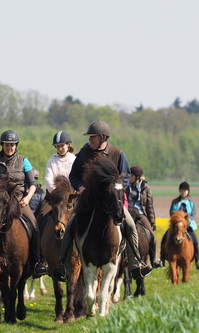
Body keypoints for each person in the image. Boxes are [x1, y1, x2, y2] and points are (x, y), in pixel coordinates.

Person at [53, 120, 153, 282]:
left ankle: (136, 264)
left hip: (110, 202)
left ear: (103, 138)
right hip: (88, 201)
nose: (90, 139)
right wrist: (80, 188)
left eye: (93, 137)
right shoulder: (84, 153)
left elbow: (125, 175)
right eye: (90, 137)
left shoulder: (118, 154)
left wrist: (116, 190)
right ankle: (62, 264)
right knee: (70, 223)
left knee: (130, 224)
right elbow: (74, 176)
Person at [0, 130, 48, 278]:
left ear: (16, 146)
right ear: (2, 145)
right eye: (7, 145)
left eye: (12, 145)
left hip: (18, 202)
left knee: (34, 225)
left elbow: (32, 184)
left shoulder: (24, 161)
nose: (9, 147)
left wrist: (28, 198)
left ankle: (37, 262)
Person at [126, 165, 162, 268]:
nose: (129, 177)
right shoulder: (125, 185)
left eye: (131, 175)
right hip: (128, 213)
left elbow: (149, 206)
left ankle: (154, 259)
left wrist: (152, 221)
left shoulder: (145, 188)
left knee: (151, 235)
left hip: (140, 213)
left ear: (137, 177)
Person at [162, 181, 199, 269]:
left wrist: (187, 222)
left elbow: (193, 214)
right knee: (164, 238)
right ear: (179, 191)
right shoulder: (175, 202)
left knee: (195, 242)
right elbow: (171, 213)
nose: (183, 192)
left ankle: (198, 260)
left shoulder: (191, 202)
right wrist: (176, 221)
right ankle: (162, 260)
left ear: (188, 191)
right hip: (176, 226)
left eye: (185, 190)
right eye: (182, 190)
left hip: (188, 226)